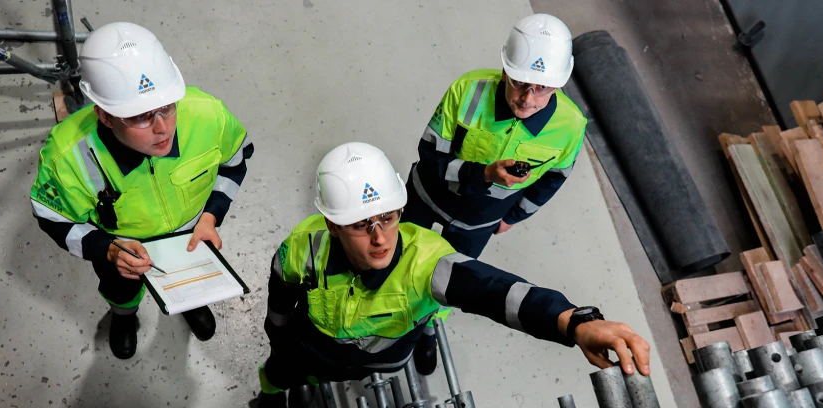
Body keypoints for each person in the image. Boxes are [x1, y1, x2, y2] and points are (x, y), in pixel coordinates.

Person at [255, 142, 649, 407]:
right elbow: (280, 293)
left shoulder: (425, 262)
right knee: (278, 374)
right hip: (310, 348)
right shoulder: (304, 247)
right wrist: (279, 336)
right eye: (361, 224)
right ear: (332, 225)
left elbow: (493, 290)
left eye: (388, 217)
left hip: (384, 358)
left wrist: (572, 321)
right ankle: (271, 396)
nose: (380, 238)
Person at [29, 22, 253, 359]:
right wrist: (108, 250)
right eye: (140, 117)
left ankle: (189, 301)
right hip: (122, 251)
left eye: (167, 107)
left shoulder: (209, 116)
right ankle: (124, 315)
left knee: (189, 278)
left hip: (190, 238)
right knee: (121, 290)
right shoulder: (68, 157)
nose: (162, 128)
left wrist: (210, 217)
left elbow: (234, 163)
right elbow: (53, 218)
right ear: (105, 116)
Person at [402, 13, 586, 374]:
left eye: (543, 88)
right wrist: (483, 173)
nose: (528, 99)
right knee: (396, 252)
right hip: (425, 198)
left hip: (478, 222)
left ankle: (425, 326)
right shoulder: (467, 90)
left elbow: (555, 178)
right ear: (504, 70)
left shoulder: (571, 126)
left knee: (453, 276)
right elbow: (430, 156)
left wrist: (513, 216)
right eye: (520, 83)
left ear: (559, 85)